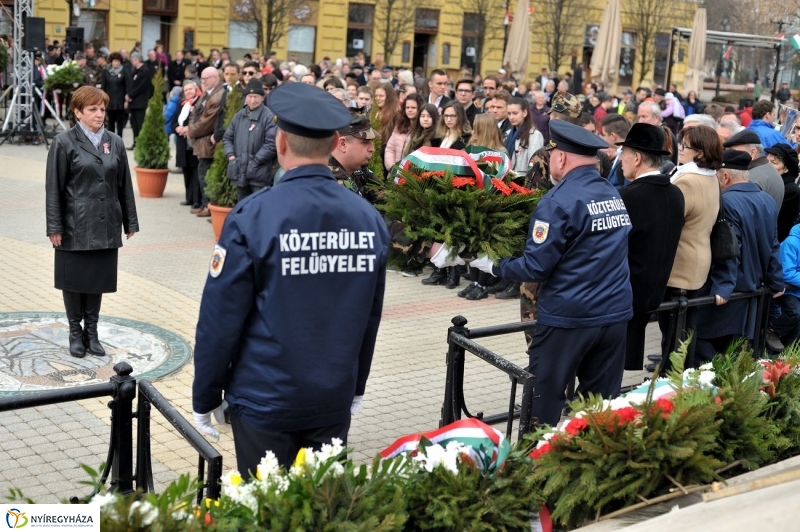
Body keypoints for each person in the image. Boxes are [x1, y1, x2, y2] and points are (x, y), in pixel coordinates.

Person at [192, 82, 390, 475]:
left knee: (267, 511)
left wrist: (206, 394)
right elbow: (370, 316)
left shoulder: (252, 215)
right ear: (336, 141)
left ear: (280, 142)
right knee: (320, 510)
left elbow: (220, 318)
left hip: (265, 397)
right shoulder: (368, 218)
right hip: (331, 395)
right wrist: (356, 386)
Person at [470, 120, 633, 427]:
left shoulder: (557, 201)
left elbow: (535, 267)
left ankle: (534, 464)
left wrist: (493, 265)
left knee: (542, 402)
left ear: (559, 158)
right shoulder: (611, 192)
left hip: (568, 318)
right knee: (599, 407)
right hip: (613, 314)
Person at [45, 86, 139, 359]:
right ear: (77, 112)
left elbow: (125, 187)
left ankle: (92, 333)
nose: (100, 115)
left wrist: (130, 222)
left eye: (102, 109)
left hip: (105, 223)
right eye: (93, 110)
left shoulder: (115, 142)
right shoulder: (63, 142)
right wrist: (54, 226)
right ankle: (76, 333)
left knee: (96, 279)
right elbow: (54, 188)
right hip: (75, 225)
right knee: (74, 282)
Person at [695, 150, 784, 362]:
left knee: (704, 353)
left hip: (729, 296)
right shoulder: (766, 200)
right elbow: (773, 246)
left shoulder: (726, 201)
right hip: (752, 293)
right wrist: (776, 281)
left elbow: (729, 249)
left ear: (725, 176)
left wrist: (723, 286)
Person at [616, 123, 685, 370]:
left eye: (622, 154)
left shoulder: (629, 197)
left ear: (636, 158)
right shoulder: (675, 193)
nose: (620, 160)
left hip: (623, 295)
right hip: (655, 293)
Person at [655, 125, 721, 371]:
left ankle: (669, 380)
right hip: (697, 259)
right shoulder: (709, 176)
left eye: (686, 146)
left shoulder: (688, 180)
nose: (680, 149)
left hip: (681, 265)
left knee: (674, 330)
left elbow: (668, 219)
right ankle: (678, 376)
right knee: (684, 328)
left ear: (701, 153)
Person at [459, 113, 511, 300]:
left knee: (484, 245)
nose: (473, 130)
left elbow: (500, 178)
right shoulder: (471, 149)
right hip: (471, 201)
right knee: (471, 243)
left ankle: (482, 284)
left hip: (489, 204)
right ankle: (473, 282)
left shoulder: (500, 152)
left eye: (476, 126)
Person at [179, 67, 225, 217]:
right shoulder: (207, 94)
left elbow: (207, 122)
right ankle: (204, 204)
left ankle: (208, 206)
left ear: (215, 78)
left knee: (205, 175)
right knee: (202, 174)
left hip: (208, 142)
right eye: (202, 79)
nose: (202, 82)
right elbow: (195, 113)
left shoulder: (218, 95)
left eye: (205, 79)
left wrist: (189, 130)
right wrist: (190, 126)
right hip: (201, 142)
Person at [222, 78, 278, 202]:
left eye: (256, 96)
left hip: (259, 174)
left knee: (259, 207)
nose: (253, 100)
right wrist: (231, 156)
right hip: (238, 171)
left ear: (263, 98)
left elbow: (271, 144)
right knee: (242, 207)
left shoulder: (268, 117)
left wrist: (255, 161)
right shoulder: (239, 116)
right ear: (246, 97)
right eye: (250, 96)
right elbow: (227, 138)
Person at [329, 111, 382, 204]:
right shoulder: (329, 182)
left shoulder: (360, 170)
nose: (372, 148)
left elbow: (387, 202)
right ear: (343, 144)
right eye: (365, 142)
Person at [723, 129, 784, 209]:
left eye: (735, 153)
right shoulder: (767, 169)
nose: (732, 156)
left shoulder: (752, 178)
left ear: (752, 153)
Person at [172, 80, 201, 209]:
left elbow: (199, 122)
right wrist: (178, 128)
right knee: (186, 171)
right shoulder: (182, 104)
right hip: (182, 142)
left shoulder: (199, 103)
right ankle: (188, 198)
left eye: (191, 89)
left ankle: (196, 200)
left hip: (193, 142)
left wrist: (188, 129)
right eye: (186, 90)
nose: (188, 92)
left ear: (196, 90)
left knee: (195, 172)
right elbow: (173, 121)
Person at [765, 143, 800, 242]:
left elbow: (781, 225)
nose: (768, 166)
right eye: (767, 161)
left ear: (786, 169)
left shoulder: (791, 191)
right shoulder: (768, 181)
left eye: (774, 162)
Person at [384, 93, 423, 170]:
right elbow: (390, 149)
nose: (410, 110)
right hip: (394, 173)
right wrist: (392, 167)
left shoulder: (422, 130)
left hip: (411, 175)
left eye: (413, 107)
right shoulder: (399, 126)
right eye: (407, 107)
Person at [506, 97, 544, 174]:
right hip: (507, 180)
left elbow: (535, 166)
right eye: (509, 114)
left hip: (524, 182)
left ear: (524, 113)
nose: (511, 117)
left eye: (515, 113)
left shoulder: (535, 135)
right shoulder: (508, 134)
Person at [124, 52, 153, 150]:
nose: (132, 62)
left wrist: (130, 95)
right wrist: (128, 96)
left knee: (139, 123)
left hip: (140, 102)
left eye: (132, 60)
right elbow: (131, 84)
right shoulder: (135, 71)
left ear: (137, 60)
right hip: (133, 102)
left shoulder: (145, 71)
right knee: (133, 123)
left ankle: (140, 144)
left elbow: (141, 86)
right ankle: (135, 143)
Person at [103, 53, 128, 137]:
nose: (116, 63)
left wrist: (126, 99)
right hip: (110, 101)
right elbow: (104, 86)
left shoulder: (124, 71)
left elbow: (127, 85)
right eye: (115, 61)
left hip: (120, 102)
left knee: (120, 123)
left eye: (118, 61)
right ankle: (111, 140)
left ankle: (119, 139)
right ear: (111, 62)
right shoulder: (106, 71)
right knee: (110, 122)